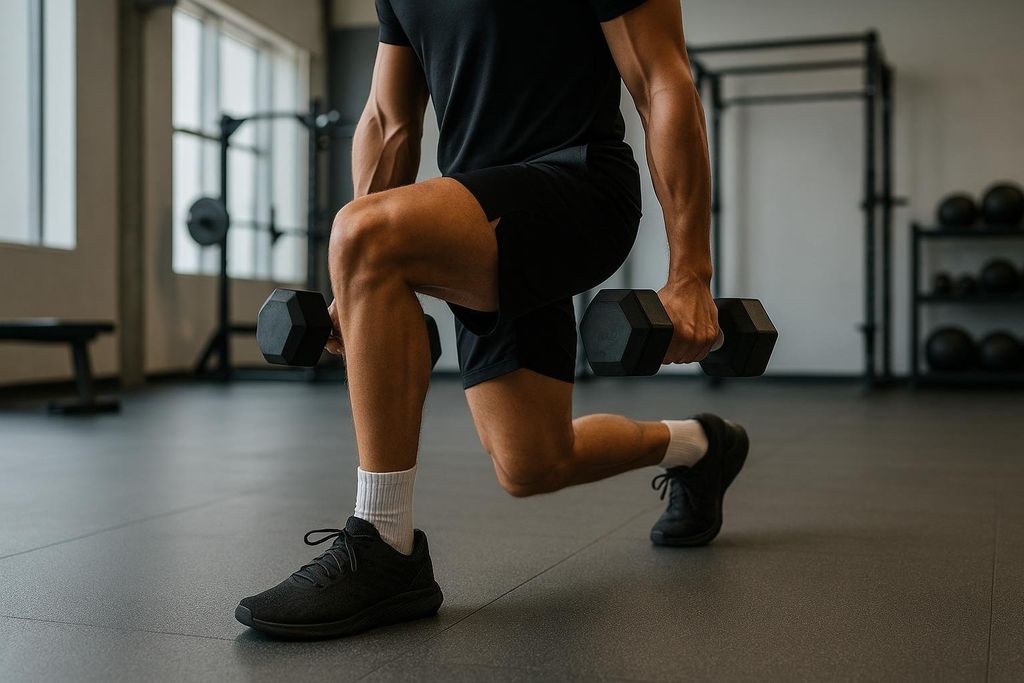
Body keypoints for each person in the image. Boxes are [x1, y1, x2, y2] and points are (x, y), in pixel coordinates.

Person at [235, 0, 749, 640]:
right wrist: (353, 277)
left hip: (579, 185)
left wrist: (690, 274)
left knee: (363, 234)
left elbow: (661, 79)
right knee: (531, 462)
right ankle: (702, 445)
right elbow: (388, 120)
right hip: (482, 207)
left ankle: (384, 545)